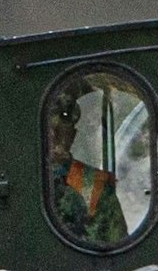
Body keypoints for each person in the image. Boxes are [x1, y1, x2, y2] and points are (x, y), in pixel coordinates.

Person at [47, 100, 129, 246]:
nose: (53, 135)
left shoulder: (93, 185)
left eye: (60, 128)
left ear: (72, 135)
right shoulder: (20, 177)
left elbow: (118, 246)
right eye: (48, 129)